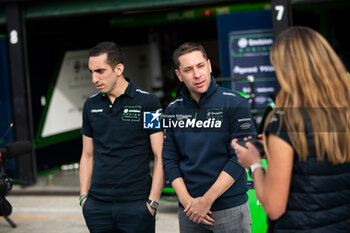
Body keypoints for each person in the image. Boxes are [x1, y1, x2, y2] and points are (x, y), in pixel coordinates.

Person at [232, 26, 350, 233]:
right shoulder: (344, 113)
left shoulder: (284, 123)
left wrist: (254, 164)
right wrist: (274, 148)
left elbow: (274, 208)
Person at [162, 42, 256, 233]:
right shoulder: (172, 110)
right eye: (188, 70)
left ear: (209, 66)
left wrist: (206, 201)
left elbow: (240, 157)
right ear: (179, 75)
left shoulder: (235, 102)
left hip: (229, 209)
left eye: (200, 66)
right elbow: (170, 159)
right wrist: (188, 202)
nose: (197, 74)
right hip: (189, 212)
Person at [79, 41, 165, 233]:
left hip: (136, 205)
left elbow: (160, 154)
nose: (94, 78)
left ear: (119, 68)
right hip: (97, 207)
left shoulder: (148, 102)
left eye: (100, 71)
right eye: (91, 72)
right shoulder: (90, 106)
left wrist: (152, 202)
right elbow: (87, 155)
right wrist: (84, 198)